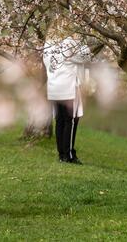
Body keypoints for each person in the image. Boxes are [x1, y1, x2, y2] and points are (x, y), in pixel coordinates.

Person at [42, 18, 91, 164]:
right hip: (69, 87)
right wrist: (80, 42)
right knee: (70, 120)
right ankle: (68, 154)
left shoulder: (47, 45)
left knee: (60, 120)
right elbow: (86, 56)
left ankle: (62, 154)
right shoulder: (69, 43)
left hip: (54, 87)